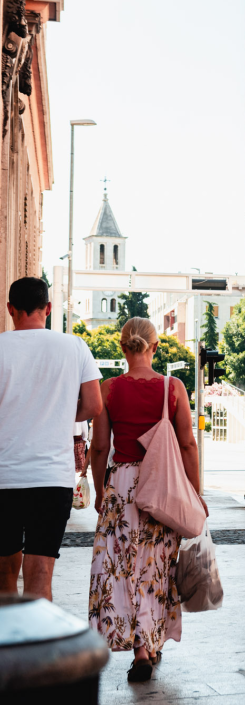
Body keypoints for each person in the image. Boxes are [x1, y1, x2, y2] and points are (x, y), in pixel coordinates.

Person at [88, 317, 198, 682]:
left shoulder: (109, 389)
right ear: (154, 348)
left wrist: (100, 491)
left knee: (124, 568)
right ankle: (149, 644)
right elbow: (187, 445)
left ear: (122, 348)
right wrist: (195, 493)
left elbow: (100, 446)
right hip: (163, 486)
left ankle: (140, 649)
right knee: (156, 568)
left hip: (122, 486)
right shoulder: (174, 387)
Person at [0, 277, 101, 603]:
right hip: (51, 479)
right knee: (41, 572)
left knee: (3, 574)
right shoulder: (73, 347)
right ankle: (37, 649)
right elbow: (93, 406)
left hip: (4, 477)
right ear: (49, 308)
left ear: (10, 309)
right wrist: (56, 414)